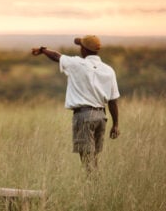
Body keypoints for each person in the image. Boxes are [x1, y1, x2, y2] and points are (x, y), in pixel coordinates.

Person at [32, 35, 120, 173]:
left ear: (84, 50)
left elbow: (56, 56)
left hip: (84, 116)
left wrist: (43, 50)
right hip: (101, 117)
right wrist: (115, 124)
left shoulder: (78, 64)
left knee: (86, 160)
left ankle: (91, 189)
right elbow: (113, 101)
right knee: (94, 158)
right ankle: (95, 188)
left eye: (81, 46)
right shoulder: (109, 70)